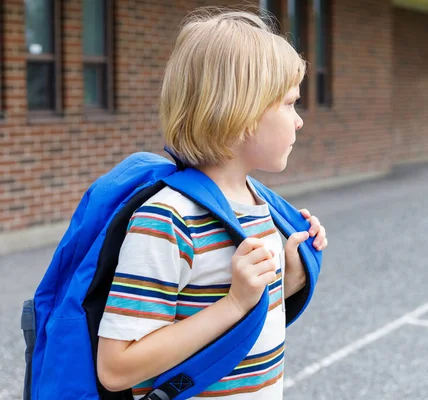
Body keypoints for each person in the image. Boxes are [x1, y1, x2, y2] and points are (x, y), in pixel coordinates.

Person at [95, 7, 328, 399]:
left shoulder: (263, 208)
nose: (299, 120)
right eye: (290, 104)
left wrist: (290, 277)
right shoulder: (168, 219)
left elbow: (246, 323)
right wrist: (234, 303)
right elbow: (116, 368)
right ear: (242, 113)